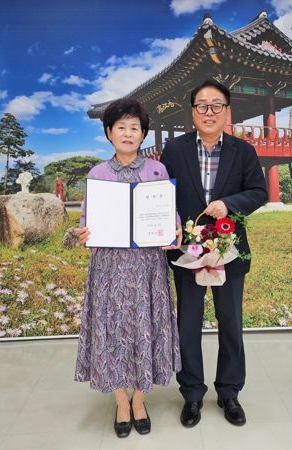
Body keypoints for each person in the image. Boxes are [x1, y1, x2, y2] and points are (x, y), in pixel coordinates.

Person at [160, 79, 267, 428]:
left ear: (227, 111)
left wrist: (229, 204)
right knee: (187, 324)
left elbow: (258, 192)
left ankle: (229, 392)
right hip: (187, 251)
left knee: (230, 322)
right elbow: (162, 195)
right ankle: (192, 394)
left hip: (229, 249)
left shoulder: (243, 151)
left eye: (216, 105)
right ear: (193, 112)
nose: (209, 112)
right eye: (202, 105)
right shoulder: (174, 150)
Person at [74, 98, 182, 438]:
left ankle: (140, 400)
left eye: (135, 128)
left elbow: (170, 212)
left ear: (143, 134)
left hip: (148, 266)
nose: (128, 133)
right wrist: (83, 233)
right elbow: (85, 219)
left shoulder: (156, 170)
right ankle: (121, 402)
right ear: (109, 133)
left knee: (145, 326)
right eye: (121, 127)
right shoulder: (98, 174)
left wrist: (174, 228)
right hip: (109, 267)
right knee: (113, 330)